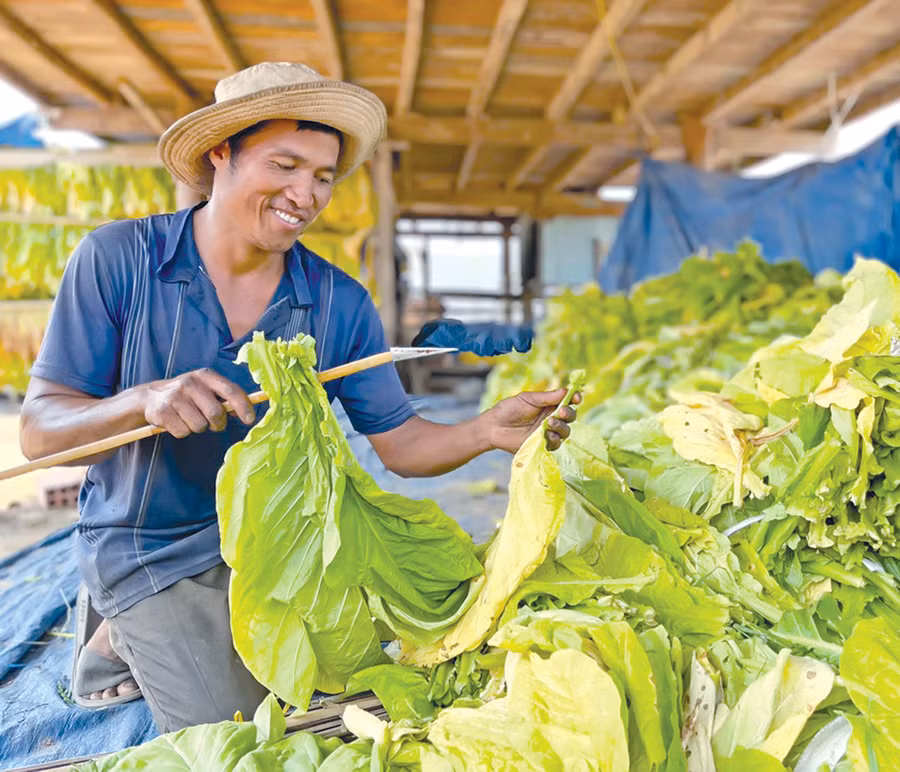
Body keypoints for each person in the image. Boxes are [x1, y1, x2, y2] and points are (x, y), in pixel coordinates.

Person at [19, 62, 579, 733]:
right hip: (153, 547)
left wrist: (485, 431)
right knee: (235, 731)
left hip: (289, 542)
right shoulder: (119, 260)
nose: (306, 194)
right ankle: (114, 631)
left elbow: (399, 444)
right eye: (285, 165)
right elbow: (40, 431)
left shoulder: (339, 301)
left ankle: (158, 633)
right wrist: (144, 402)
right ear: (221, 152)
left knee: (363, 689)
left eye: (322, 177)